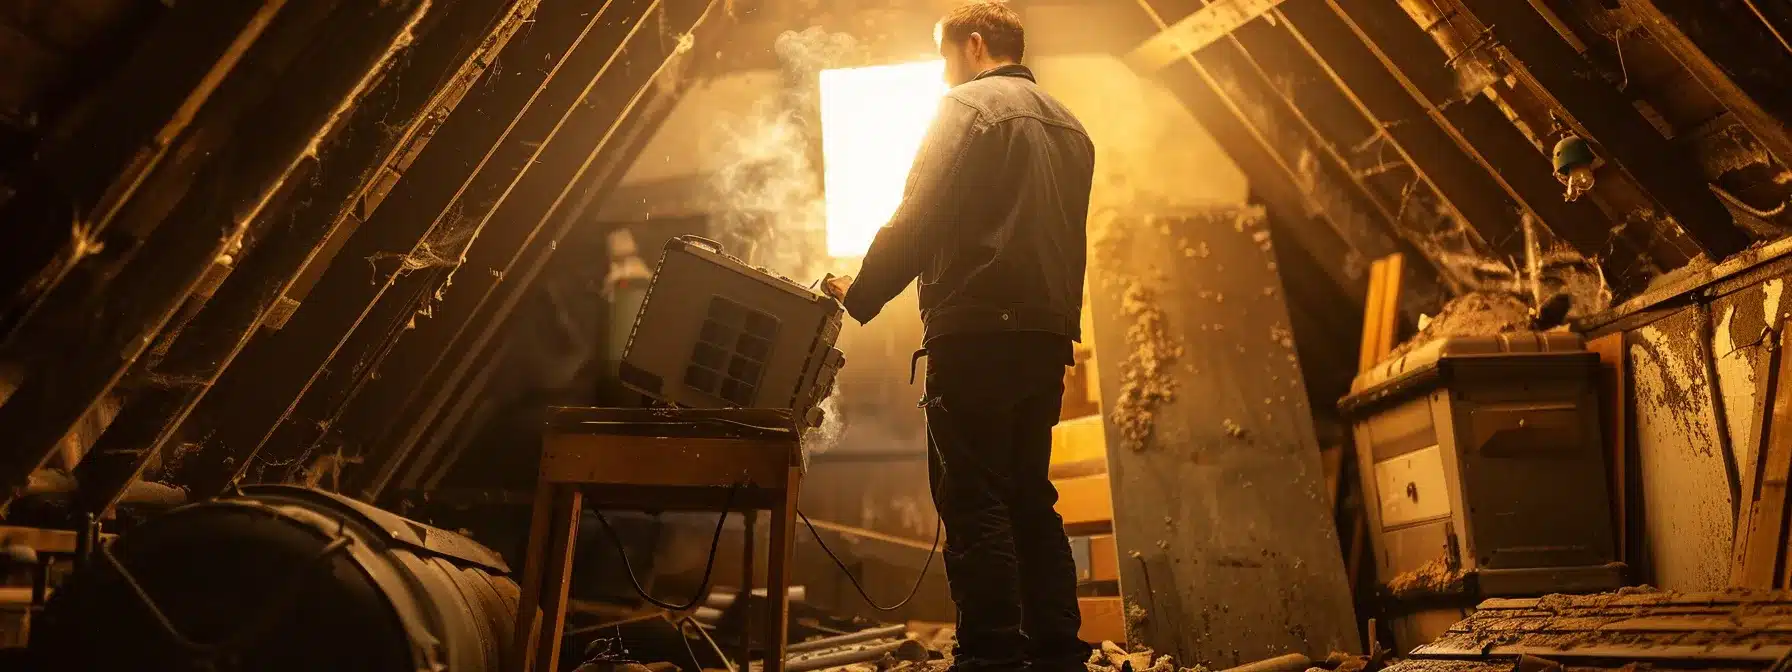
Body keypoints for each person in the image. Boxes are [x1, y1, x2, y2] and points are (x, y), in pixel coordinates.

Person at [822, 3, 1096, 671]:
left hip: (974, 333)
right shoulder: (1073, 128)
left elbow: (918, 216)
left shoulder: (966, 112)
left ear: (973, 46)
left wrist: (858, 294)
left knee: (973, 496)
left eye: (946, 61)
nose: (945, 79)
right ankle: (1058, 650)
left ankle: (992, 655)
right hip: (1045, 337)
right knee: (1030, 492)